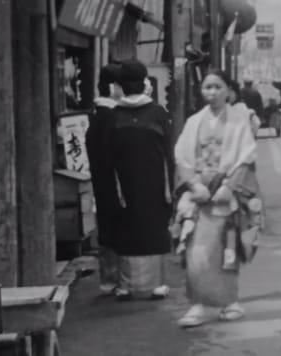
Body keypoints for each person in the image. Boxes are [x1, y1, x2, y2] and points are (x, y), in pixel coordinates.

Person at [174, 69, 263, 328]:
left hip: (226, 190)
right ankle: (197, 304)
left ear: (228, 91)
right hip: (200, 191)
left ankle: (230, 302)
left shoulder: (238, 120)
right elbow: (181, 156)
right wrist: (192, 184)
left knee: (227, 248)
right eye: (207, 87)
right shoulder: (194, 122)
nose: (211, 93)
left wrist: (231, 186)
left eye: (217, 87)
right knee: (196, 251)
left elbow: (246, 156)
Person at [110, 60, 174, 300]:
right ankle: (157, 283)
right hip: (156, 183)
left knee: (127, 231)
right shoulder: (158, 112)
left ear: (121, 86)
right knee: (155, 229)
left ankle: (125, 285)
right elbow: (169, 151)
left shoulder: (115, 115)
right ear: (145, 83)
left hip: (123, 184)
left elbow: (108, 155)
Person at [85, 63, 123, 295]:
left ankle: (109, 278)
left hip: (101, 182)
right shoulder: (112, 118)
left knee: (107, 230)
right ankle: (115, 279)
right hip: (115, 183)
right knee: (116, 229)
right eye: (121, 84)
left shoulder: (97, 117)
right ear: (112, 87)